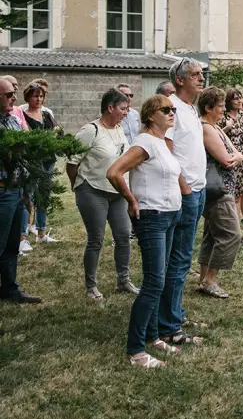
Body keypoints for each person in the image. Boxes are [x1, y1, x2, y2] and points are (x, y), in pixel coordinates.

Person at [106, 94, 184, 368]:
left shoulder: (161, 142)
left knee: (159, 280)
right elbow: (114, 172)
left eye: (173, 109)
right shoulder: (145, 142)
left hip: (169, 216)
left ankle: (152, 337)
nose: (172, 113)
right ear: (151, 115)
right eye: (166, 109)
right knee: (153, 283)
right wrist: (131, 199)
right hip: (152, 217)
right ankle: (135, 349)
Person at [66, 88, 138, 300]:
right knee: (96, 239)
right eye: (123, 108)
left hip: (117, 192)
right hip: (92, 191)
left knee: (123, 237)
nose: (126, 112)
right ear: (110, 107)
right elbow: (72, 162)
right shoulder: (91, 131)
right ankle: (91, 287)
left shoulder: (119, 129)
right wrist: (78, 186)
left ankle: (123, 281)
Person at [157, 57, 207, 346]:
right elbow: (166, 152)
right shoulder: (171, 108)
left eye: (201, 74)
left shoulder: (190, 107)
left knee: (183, 259)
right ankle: (168, 326)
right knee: (178, 260)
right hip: (184, 194)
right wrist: (185, 188)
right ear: (180, 80)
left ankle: (174, 313)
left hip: (197, 191)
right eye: (195, 74)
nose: (201, 78)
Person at [198, 87, 243, 297]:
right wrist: (237, 157)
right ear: (208, 108)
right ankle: (210, 280)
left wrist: (238, 156)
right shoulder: (206, 128)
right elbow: (227, 159)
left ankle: (203, 278)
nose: (224, 110)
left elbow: (236, 153)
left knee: (211, 235)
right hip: (218, 190)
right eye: (221, 106)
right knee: (231, 234)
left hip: (222, 188)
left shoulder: (215, 127)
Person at [0, 77, 42, 307]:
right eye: (8, 95)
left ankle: (9, 288)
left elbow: (24, 152)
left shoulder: (13, 120)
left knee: (11, 246)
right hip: (2, 192)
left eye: (13, 94)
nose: (14, 97)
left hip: (16, 190)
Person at [20, 81, 58, 250]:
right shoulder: (22, 115)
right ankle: (22, 237)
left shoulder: (46, 114)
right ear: (28, 97)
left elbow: (58, 131)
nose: (39, 99)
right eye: (35, 96)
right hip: (32, 161)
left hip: (48, 159)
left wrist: (52, 135)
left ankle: (41, 234)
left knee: (44, 196)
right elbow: (28, 138)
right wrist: (47, 136)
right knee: (27, 197)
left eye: (41, 96)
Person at [220, 88, 243, 225]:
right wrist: (227, 128)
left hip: (242, 157)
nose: (240, 100)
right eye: (236, 98)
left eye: (240, 97)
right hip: (228, 156)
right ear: (228, 101)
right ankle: (233, 224)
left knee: (241, 192)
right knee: (233, 194)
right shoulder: (223, 116)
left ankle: (240, 222)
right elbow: (214, 135)